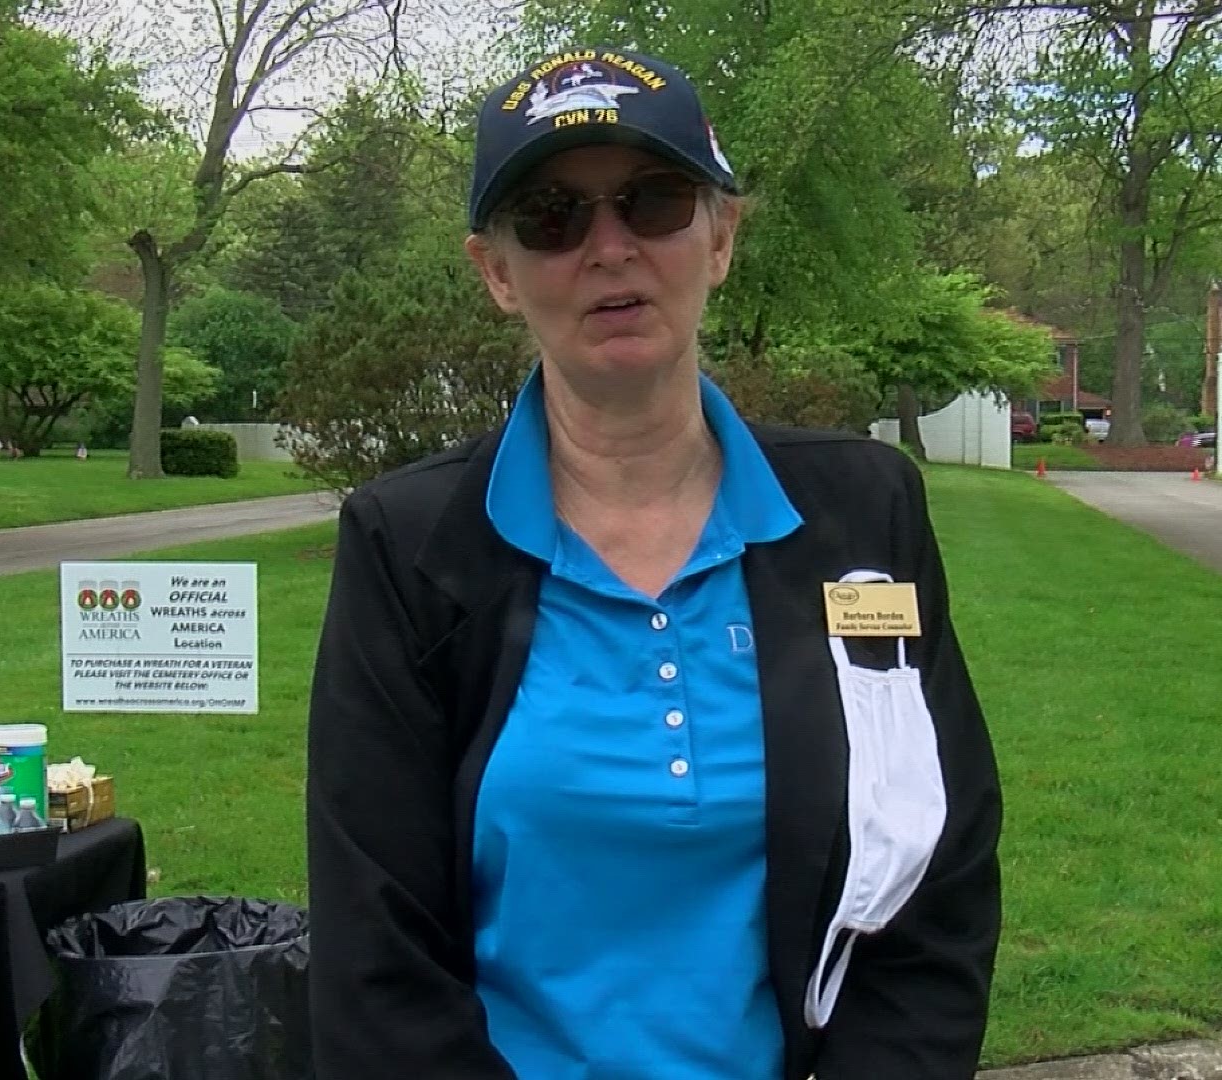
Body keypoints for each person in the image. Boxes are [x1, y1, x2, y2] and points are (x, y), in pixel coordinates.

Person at [304, 47, 1002, 1080]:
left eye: (656, 201)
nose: (610, 247)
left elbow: (935, 882)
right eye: (553, 217)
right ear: (496, 272)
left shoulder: (860, 516)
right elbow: (375, 958)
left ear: (720, 236)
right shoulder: (408, 548)